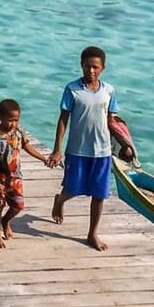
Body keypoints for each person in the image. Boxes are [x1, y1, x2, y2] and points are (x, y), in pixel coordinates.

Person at [48, 45, 117, 250]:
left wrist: (124, 146)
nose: (91, 71)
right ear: (81, 65)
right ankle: (60, 200)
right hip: (77, 150)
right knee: (73, 188)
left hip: (103, 151)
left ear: (103, 68)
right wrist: (57, 149)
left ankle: (92, 234)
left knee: (99, 194)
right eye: (87, 67)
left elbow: (113, 121)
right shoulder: (72, 90)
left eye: (95, 67)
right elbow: (63, 120)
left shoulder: (109, 91)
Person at [0, 99, 52, 248]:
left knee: (18, 205)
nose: (13, 124)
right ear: (0, 117)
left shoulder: (19, 132)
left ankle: (6, 221)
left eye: (16, 120)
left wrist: (42, 158)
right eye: (10, 120)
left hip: (15, 177)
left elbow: (27, 147)